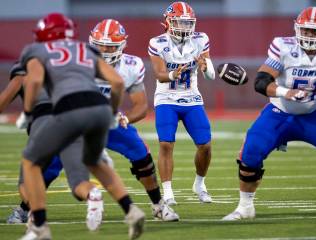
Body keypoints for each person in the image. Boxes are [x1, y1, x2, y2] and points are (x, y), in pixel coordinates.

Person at [222, 6, 316, 221]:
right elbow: (261, 82)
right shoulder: (283, 47)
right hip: (280, 113)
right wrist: (287, 92)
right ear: (297, 28)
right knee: (251, 152)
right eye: (306, 30)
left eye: (315, 31)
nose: (310, 35)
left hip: (315, 114)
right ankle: (245, 207)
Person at [18, 13, 144, 240]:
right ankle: (131, 211)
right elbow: (117, 81)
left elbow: (34, 81)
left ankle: (39, 227)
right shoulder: (86, 51)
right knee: (95, 162)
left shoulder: (37, 51)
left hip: (69, 109)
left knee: (31, 161)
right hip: (100, 109)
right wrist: (113, 112)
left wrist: (27, 113)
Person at [89, 18, 179, 221]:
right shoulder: (79, 62)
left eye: (109, 47)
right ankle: (28, 209)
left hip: (110, 120)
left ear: (121, 47)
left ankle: (158, 205)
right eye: (99, 45)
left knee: (142, 156)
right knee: (52, 160)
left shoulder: (131, 65)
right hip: (79, 121)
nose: (103, 50)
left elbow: (141, 106)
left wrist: (124, 118)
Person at [2, 63, 106, 232]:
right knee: (79, 181)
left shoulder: (24, 68)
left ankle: (33, 214)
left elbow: (4, 101)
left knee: (26, 178)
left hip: (45, 122)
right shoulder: (70, 66)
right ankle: (91, 194)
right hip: (76, 122)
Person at [148, 1, 216, 205]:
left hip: (191, 97)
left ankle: (199, 183)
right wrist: (172, 74)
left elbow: (211, 75)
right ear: (168, 22)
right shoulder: (157, 43)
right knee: (166, 144)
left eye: (188, 23)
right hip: (166, 98)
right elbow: (159, 75)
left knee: (205, 145)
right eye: (179, 22)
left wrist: (206, 67)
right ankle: (168, 192)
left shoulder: (201, 39)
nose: (184, 27)